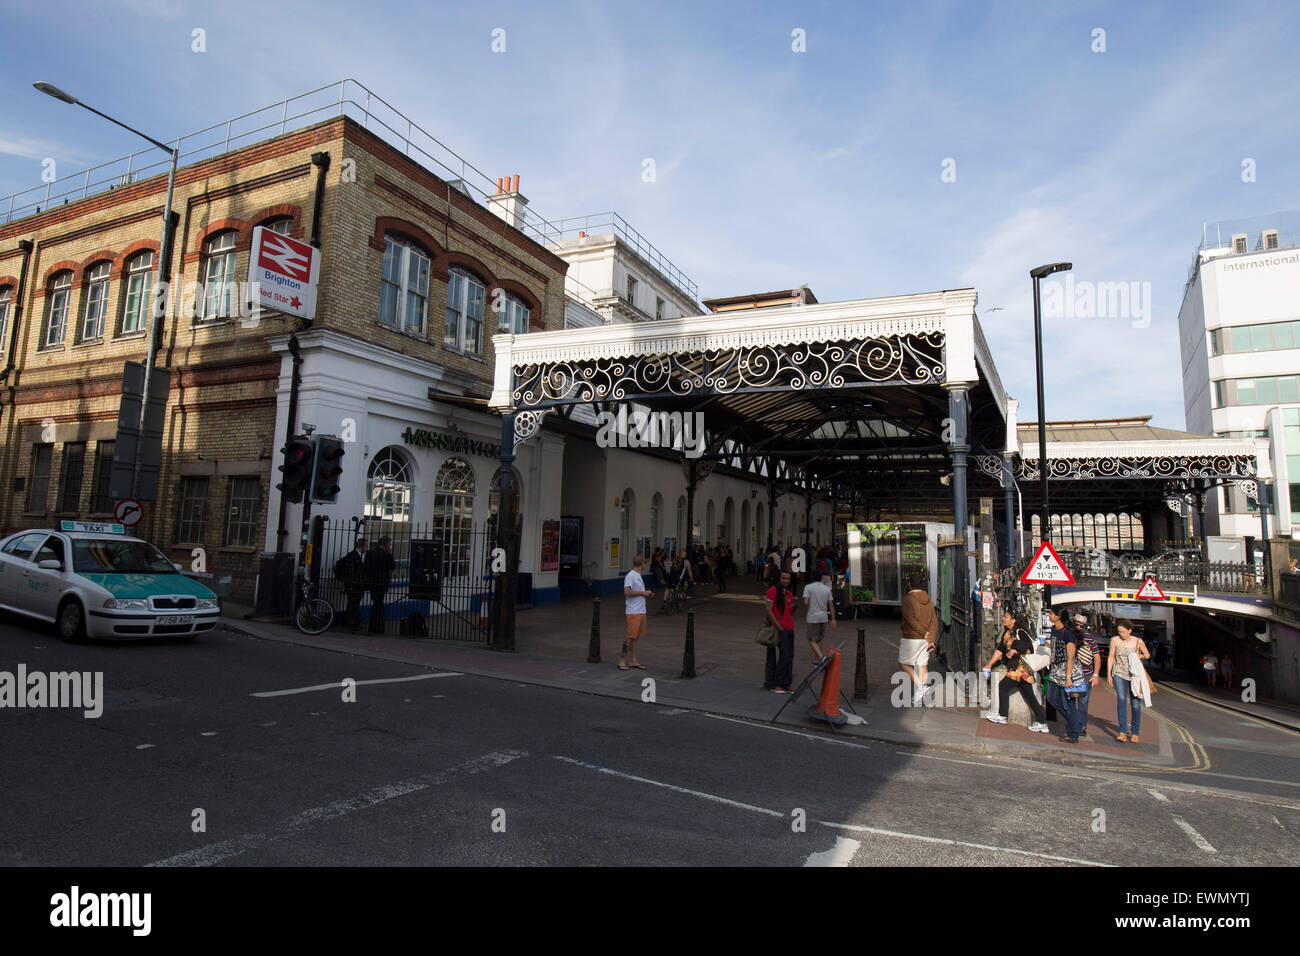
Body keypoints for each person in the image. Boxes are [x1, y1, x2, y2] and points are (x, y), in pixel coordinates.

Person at [981, 610, 1050, 732]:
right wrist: (990, 664)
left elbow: (1028, 647)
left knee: (1003, 687)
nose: (1004, 619)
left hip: (1020, 668)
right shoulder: (1007, 634)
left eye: (1006, 617)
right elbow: (1000, 649)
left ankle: (1003, 716)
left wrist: (1014, 651)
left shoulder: (1020, 632)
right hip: (1018, 670)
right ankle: (1042, 722)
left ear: (1013, 620)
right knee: (1030, 696)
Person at [1108, 619, 1151, 743]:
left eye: (1123, 632)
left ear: (1129, 630)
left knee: (1135, 704)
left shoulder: (1138, 641)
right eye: (1119, 632)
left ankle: (1135, 732)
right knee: (1121, 699)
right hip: (1119, 673)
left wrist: (1141, 656)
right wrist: (1109, 674)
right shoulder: (1115, 640)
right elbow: (1111, 657)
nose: (1121, 634)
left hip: (1134, 675)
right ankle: (1122, 731)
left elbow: (1147, 654)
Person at [1046, 606, 1085, 743]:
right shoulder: (1053, 630)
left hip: (1068, 670)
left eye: (1051, 614)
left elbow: (1070, 657)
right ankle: (1076, 723)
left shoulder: (1067, 633)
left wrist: (1069, 678)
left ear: (1058, 616)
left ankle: (1073, 734)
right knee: (1051, 698)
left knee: (1068, 703)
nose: (1049, 616)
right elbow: (1056, 647)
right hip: (1056, 669)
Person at [899, 573, 938, 706]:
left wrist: (925, 633)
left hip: (911, 637)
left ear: (909, 584)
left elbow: (910, 619)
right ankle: (921, 696)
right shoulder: (929, 600)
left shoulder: (907, 599)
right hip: (925, 640)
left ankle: (921, 686)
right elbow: (934, 621)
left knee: (904, 663)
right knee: (922, 665)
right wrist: (930, 637)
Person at [619, 554, 655, 671]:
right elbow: (627, 592)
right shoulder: (631, 576)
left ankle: (633, 660)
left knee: (635, 637)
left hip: (641, 610)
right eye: (645, 562)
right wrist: (642, 593)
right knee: (630, 637)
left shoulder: (638, 575)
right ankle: (622, 661)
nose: (645, 564)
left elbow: (637, 591)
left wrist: (646, 593)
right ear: (642, 564)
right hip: (633, 612)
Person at [766, 570, 797, 693]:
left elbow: (790, 612)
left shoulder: (788, 593)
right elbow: (768, 609)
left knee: (790, 656)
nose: (786, 581)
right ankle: (777, 683)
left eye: (788, 579)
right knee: (784, 656)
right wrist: (778, 626)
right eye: (783, 578)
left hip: (790, 627)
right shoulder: (772, 590)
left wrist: (795, 604)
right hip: (782, 628)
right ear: (778, 578)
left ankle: (786, 683)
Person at [1071, 613, 1101, 738]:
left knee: (1083, 701)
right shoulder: (1069, 636)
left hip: (1085, 675)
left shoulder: (1089, 638)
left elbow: (1097, 657)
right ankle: (1074, 724)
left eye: (1081, 626)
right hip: (1072, 674)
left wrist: (1095, 675)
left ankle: (1082, 726)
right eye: (1076, 624)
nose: (1078, 627)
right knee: (1071, 700)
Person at [334, 537, 368, 631]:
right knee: (353, 604)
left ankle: (352, 622)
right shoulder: (352, 556)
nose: (367, 548)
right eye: (366, 546)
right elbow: (350, 570)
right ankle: (351, 623)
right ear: (362, 546)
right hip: (353, 584)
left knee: (354, 604)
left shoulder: (359, 556)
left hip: (357, 584)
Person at [364, 535, 396, 634]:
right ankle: (377, 627)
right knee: (379, 604)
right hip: (381, 582)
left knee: (376, 602)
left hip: (371, 582)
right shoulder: (385, 554)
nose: (390, 546)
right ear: (386, 544)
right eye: (389, 544)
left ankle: (374, 626)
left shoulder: (370, 553)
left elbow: (365, 567)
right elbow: (392, 566)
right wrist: (391, 555)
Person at [801, 573, 836, 661]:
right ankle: (817, 661)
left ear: (812, 577)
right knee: (819, 639)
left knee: (811, 639)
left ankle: (821, 658)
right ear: (821, 579)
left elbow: (805, 602)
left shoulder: (808, 587)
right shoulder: (827, 589)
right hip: (824, 617)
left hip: (812, 617)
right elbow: (831, 604)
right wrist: (833, 619)